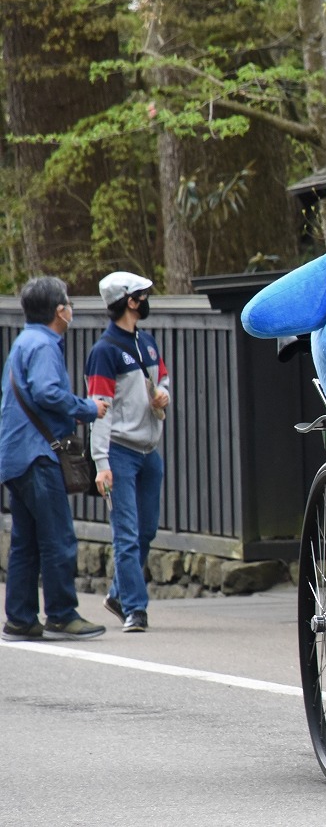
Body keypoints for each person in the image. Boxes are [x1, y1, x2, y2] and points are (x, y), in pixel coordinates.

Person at [1, 277, 110, 641]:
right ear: (59, 310)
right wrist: (86, 408)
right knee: (58, 537)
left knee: (25, 541)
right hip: (38, 455)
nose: (70, 310)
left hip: (15, 454)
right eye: (67, 304)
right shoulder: (45, 345)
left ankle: (20, 617)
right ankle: (61, 613)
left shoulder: (22, 342)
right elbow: (48, 392)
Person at [86, 271, 171, 634]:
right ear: (129, 302)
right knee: (126, 533)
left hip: (149, 451)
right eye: (141, 295)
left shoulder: (147, 342)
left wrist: (165, 393)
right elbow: (98, 409)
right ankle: (136, 609)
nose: (146, 300)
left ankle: (119, 594)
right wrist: (101, 463)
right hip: (120, 452)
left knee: (147, 529)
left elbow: (163, 378)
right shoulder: (104, 353)